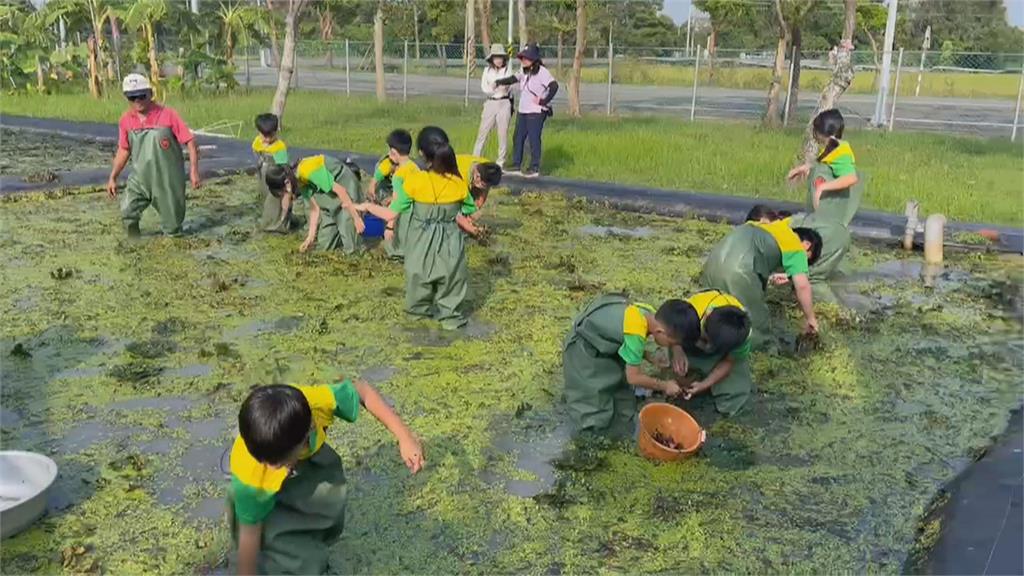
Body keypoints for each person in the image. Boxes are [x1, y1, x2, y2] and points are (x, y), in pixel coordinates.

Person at [229, 379, 423, 575]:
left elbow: (363, 390)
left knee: (326, 512)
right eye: (272, 464)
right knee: (283, 552)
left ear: (310, 428)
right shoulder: (250, 477)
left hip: (311, 459)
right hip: (260, 485)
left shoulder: (316, 404)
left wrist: (404, 436)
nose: (274, 468)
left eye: (281, 463)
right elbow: (248, 537)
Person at [355, 127, 480, 330]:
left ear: (421, 153)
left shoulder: (414, 181)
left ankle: (418, 323)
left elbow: (390, 214)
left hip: (420, 243)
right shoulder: (458, 183)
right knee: (451, 281)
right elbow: (470, 212)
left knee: (418, 280)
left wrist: (366, 206)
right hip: (451, 245)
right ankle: (450, 320)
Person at [562, 295, 696, 439]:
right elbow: (633, 378)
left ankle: (620, 432)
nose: (669, 347)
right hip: (583, 349)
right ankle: (589, 440)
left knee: (622, 398)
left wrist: (649, 356)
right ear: (660, 332)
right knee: (592, 404)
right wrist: (664, 386)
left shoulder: (649, 313)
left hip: (605, 342)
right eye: (670, 343)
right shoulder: (636, 332)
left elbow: (627, 338)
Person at [700, 219, 823, 349]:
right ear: (807, 245)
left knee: (712, 312)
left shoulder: (767, 226)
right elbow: (803, 286)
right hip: (739, 272)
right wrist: (811, 319)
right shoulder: (796, 246)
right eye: (807, 260)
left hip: (712, 264)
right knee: (757, 326)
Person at [107, 73, 200, 236]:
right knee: (127, 212)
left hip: (167, 181)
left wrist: (193, 171)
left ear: (150, 93)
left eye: (141, 96)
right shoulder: (126, 120)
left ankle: (174, 255)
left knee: (173, 229)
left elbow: (190, 142)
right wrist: (113, 177)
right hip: (141, 179)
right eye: (132, 97)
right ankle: (134, 244)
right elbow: (124, 149)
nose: (137, 101)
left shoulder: (168, 115)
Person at [674, 290, 755, 416]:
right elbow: (671, 332)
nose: (707, 347)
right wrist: (677, 350)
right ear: (706, 317)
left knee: (735, 393)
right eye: (705, 340)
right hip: (687, 339)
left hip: (720, 351)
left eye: (712, 345)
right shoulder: (692, 310)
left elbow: (729, 361)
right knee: (676, 374)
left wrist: (703, 385)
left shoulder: (742, 334)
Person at [786, 109, 862, 226]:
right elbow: (825, 167)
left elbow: (851, 178)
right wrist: (803, 168)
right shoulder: (830, 148)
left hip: (831, 219)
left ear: (821, 132)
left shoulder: (842, 151)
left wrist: (822, 188)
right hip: (822, 215)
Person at [495, 43, 558, 178]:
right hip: (523, 110)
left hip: (536, 112)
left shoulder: (542, 72)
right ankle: (516, 164)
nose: (523, 60)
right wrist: (499, 82)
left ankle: (534, 167)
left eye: (526, 58)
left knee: (534, 139)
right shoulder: (523, 71)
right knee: (518, 137)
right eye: (522, 57)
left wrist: (543, 101)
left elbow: (554, 86)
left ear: (534, 59)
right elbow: (513, 79)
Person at [293, 154, 366, 254]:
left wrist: (356, 218)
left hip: (344, 185)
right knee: (324, 245)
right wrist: (310, 238)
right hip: (329, 195)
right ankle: (340, 234)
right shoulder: (300, 181)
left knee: (352, 246)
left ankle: (351, 240)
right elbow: (314, 209)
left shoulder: (309, 170)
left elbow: (341, 191)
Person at [369, 130, 419, 259]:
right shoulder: (414, 167)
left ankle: (397, 252)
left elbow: (397, 202)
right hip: (420, 214)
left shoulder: (399, 175)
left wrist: (390, 227)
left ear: (393, 152)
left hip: (407, 214)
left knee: (395, 242)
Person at [472, 44, 513, 166]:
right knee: (483, 132)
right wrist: (496, 87)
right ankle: (475, 159)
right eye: (496, 58)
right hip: (490, 102)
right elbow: (485, 88)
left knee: (502, 133)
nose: (499, 60)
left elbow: (508, 87)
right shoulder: (487, 71)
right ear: (492, 59)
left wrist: (498, 86)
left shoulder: (507, 70)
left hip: (504, 102)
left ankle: (501, 162)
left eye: (500, 57)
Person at [252, 113, 293, 233]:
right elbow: (255, 150)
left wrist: (288, 187)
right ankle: (267, 218)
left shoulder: (279, 147)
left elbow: (284, 168)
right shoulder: (258, 141)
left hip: (276, 177)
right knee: (264, 197)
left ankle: (278, 224)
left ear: (276, 131)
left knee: (274, 200)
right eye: (264, 136)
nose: (268, 139)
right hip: (263, 174)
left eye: (271, 136)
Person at [456, 154, 503, 218]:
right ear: (477, 176)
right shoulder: (461, 177)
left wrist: (478, 206)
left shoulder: (487, 167)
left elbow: (484, 191)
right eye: (483, 185)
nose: (486, 188)